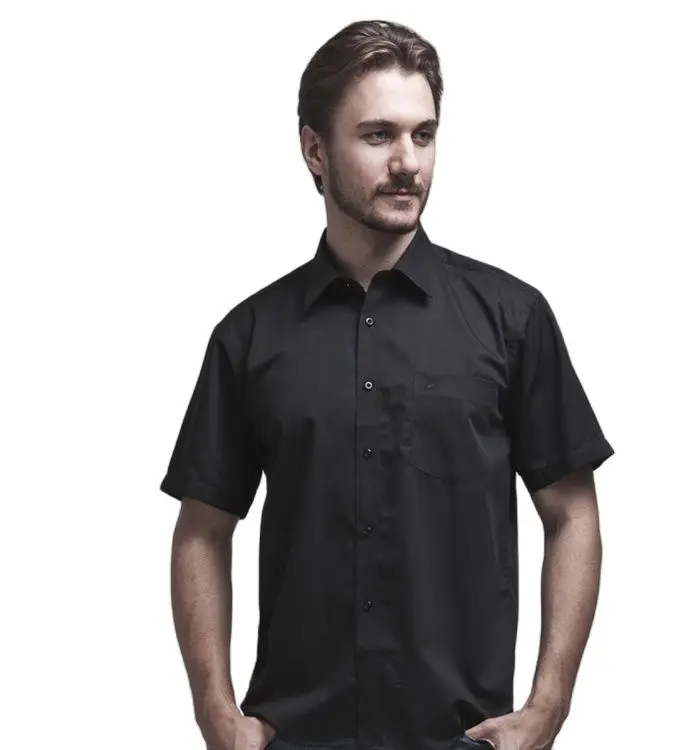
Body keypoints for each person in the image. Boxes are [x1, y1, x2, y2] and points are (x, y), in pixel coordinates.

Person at [159, 18, 615, 750]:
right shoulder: (249, 337)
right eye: (378, 136)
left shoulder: (513, 319)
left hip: (464, 739)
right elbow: (203, 530)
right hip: (298, 738)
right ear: (315, 149)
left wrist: (549, 705)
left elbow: (571, 512)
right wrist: (215, 713)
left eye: (423, 135)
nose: (408, 162)